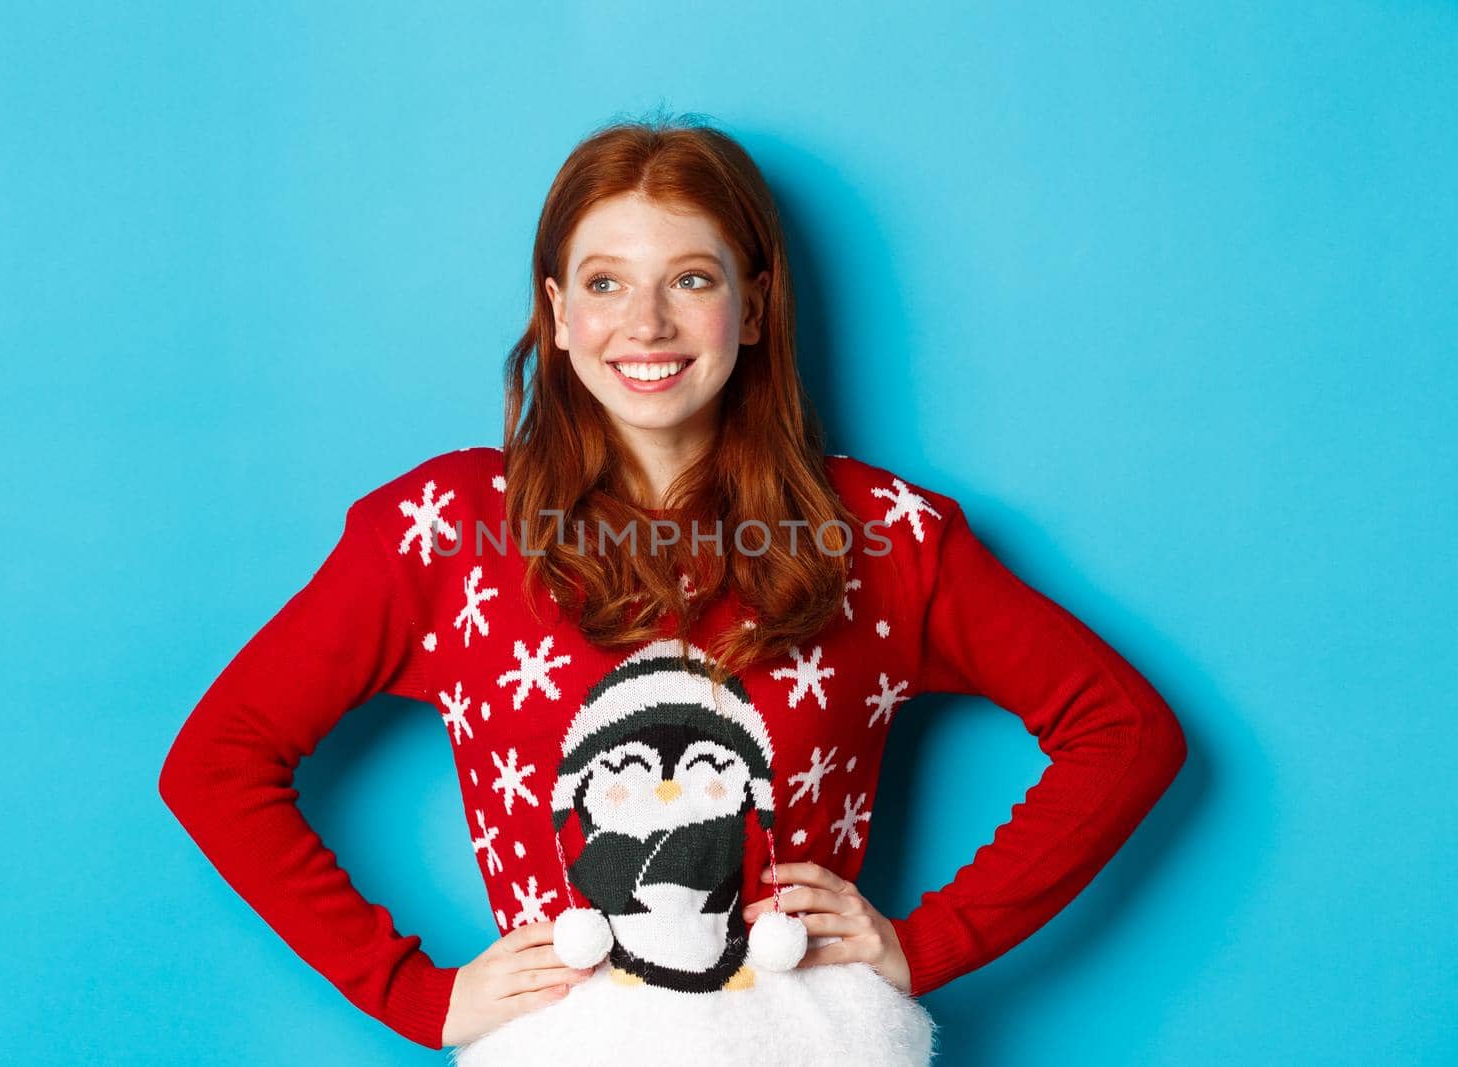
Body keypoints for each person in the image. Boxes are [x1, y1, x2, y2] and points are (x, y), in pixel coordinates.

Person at [157, 115, 1188, 1065]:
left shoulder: (879, 533)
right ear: (556, 313)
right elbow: (216, 763)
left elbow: (1124, 728)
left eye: (691, 278)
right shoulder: (446, 529)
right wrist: (413, 995)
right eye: (604, 283)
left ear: (753, 306)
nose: (644, 323)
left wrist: (929, 941)